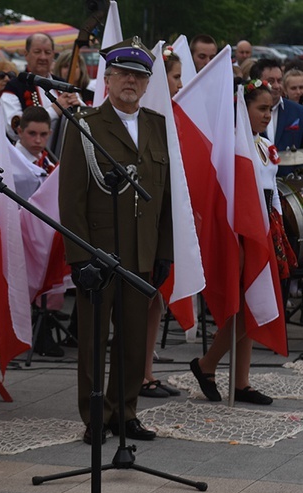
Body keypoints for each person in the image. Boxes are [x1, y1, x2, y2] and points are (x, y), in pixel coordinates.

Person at [59, 36, 173, 444]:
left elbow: (166, 197)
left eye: (139, 76)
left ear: (147, 84)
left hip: (141, 252)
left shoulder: (158, 126)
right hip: (99, 254)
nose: (130, 81)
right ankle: (95, 417)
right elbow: (70, 197)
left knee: (131, 340)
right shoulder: (86, 125)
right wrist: (79, 255)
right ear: (107, 78)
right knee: (93, 341)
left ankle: (125, 412)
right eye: (123, 73)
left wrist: (164, 252)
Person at [189, 80, 294, 406]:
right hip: (239, 232)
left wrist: (278, 228)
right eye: (260, 109)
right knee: (244, 305)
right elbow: (227, 197)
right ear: (242, 108)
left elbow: (272, 191)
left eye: (268, 109)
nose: (266, 115)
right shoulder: (231, 147)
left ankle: (241, 381)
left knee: (254, 300)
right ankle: (207, 364)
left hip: (263, 228)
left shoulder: (263, 146)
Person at [141, 46, 183, 398]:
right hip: (139, 228)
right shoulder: (148, 123)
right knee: (142, 300)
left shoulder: (171, 118)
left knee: (154, 299)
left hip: (161, 228)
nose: (181, 84)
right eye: (175, 76)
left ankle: (146, 371)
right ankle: (138, 374)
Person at [0, 33, 80, 145]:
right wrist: (54, 111)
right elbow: (14, 130)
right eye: (37, 52)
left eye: (47, 52)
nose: (43, 57)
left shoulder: (63, 85)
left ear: (53, 55)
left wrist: (79, 107)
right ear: (26, 54)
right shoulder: (13, 87)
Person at [250, 58, 303, 174]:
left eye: (279, 80)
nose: (277, 86)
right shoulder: (245, 114)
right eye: (271, 81)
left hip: (289, 184)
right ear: (256, 82)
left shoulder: (298, 112)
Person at [13, 105, 53, 200]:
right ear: (20, 132)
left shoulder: (46, 161)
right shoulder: (12, 163)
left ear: (50, 133)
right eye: (32, 133)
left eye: (43, 134)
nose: (38, 140)